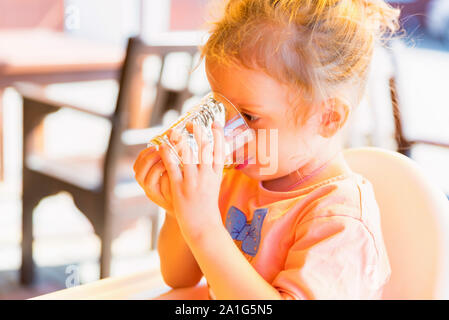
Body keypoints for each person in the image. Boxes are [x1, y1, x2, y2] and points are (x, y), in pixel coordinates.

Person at [134, 0, 400, 299]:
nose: (223, 130)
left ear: (328, 118)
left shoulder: (340, 222)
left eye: (248, 116)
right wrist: (180, 211)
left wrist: (205, 228)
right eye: (221, 106)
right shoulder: (238, 176)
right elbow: (179, 278)